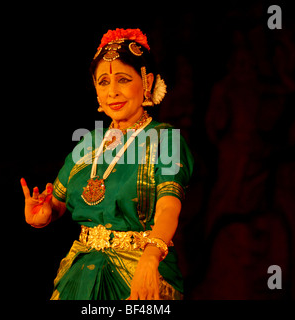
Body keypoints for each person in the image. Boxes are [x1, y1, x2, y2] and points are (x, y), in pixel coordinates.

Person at [20, 28, 194, 300]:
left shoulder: (165, 140)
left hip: (138, 273)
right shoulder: (89, 143)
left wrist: (151, 255)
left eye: (123, 79)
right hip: (83, 274)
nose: (112, 91)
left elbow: (169, 208)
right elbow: (58, 202)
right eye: (103, 82)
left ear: (147, 83)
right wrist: (43, 215)